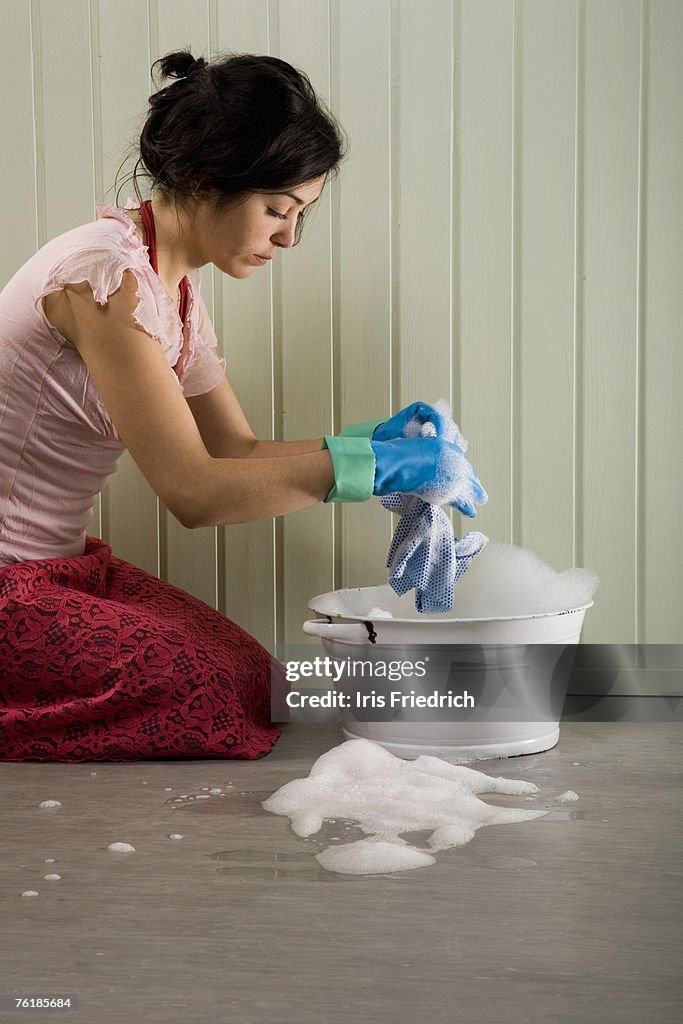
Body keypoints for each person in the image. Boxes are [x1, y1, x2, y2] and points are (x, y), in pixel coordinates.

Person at [0, 50, 485, 763]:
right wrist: (366, 469)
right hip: (10, 582)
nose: (288, 236)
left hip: (54, 568)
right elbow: (195, 491)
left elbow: (233, 451)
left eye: (300, 213)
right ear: (202, 180)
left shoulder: (173, 291)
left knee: (253, 682)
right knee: (207, 693)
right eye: (275, 209)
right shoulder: (104, 280)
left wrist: (373, 446)